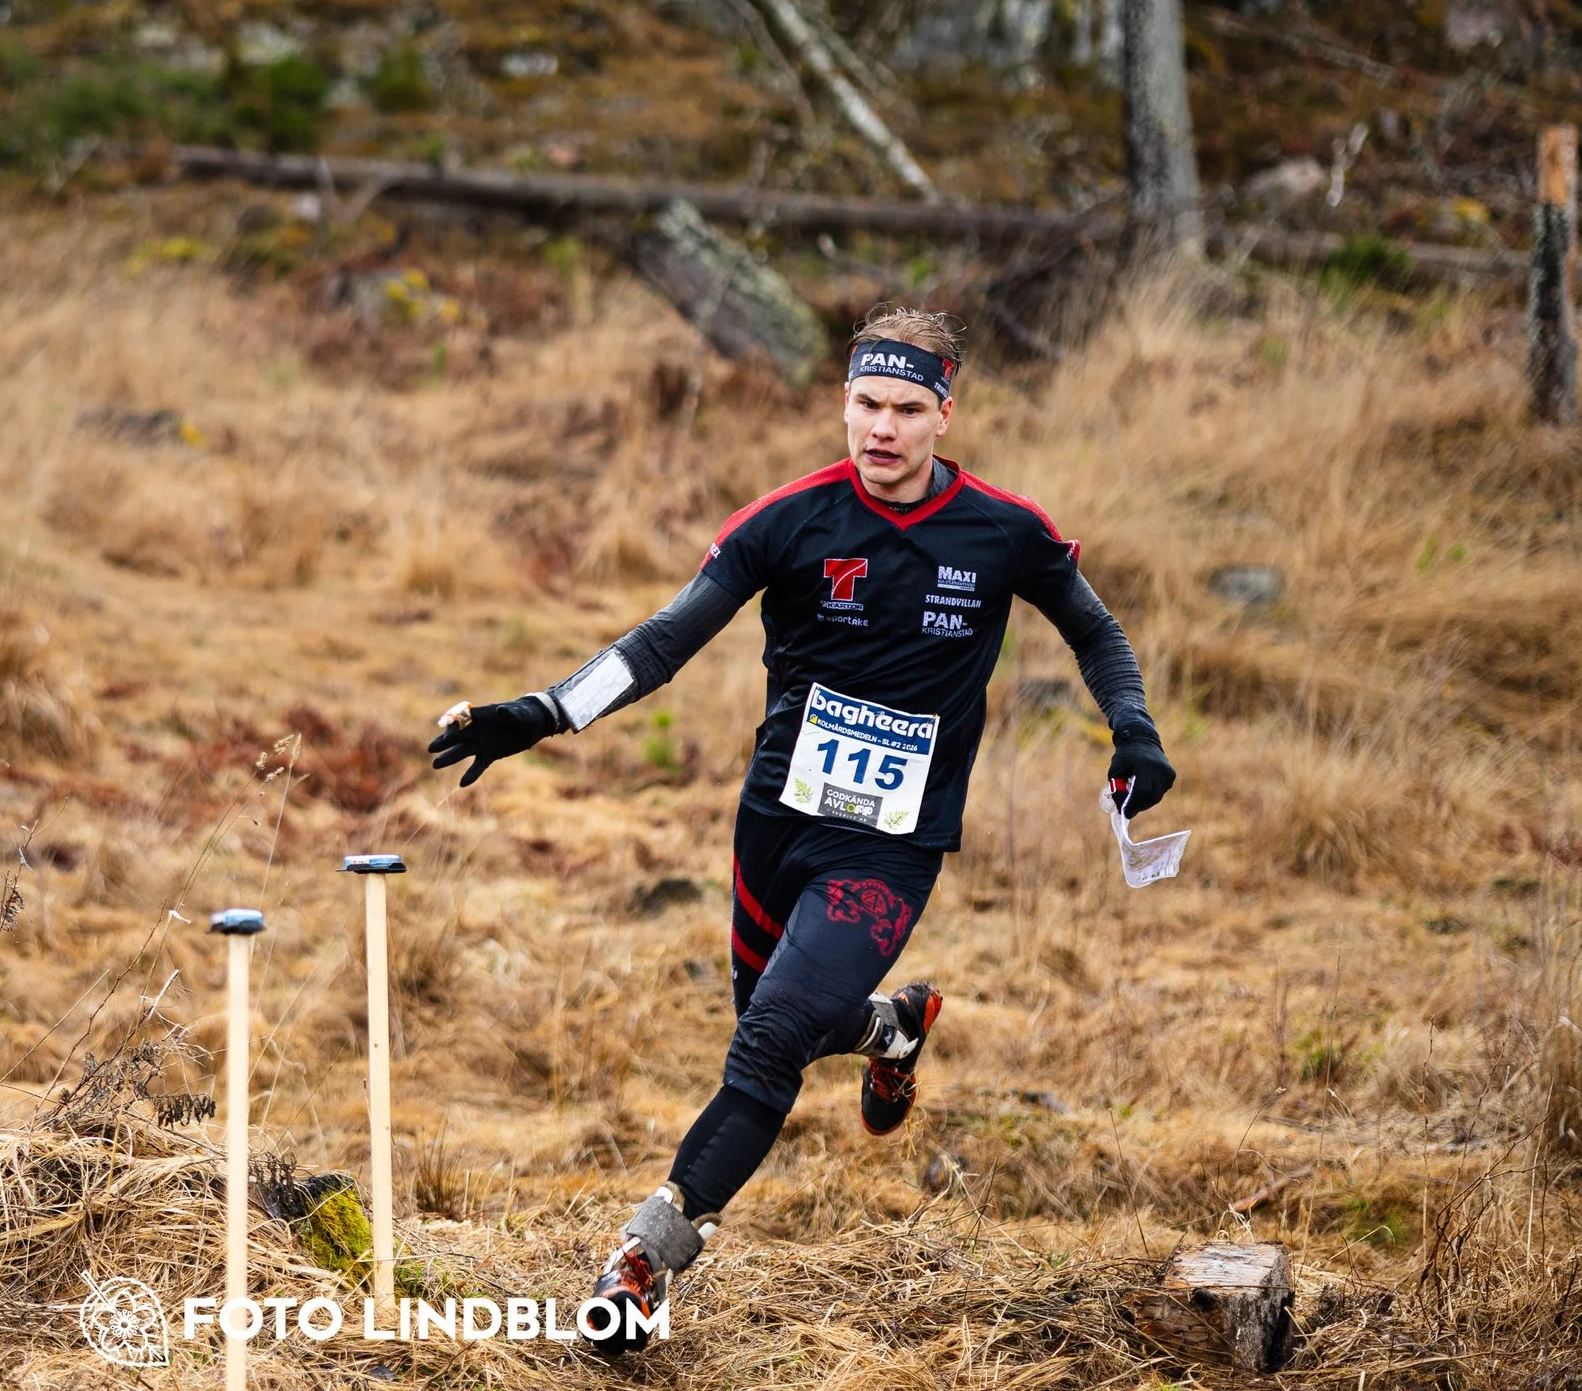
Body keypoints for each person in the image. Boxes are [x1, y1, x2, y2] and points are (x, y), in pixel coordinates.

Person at [428, 305, 1175, 1353]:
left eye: (906, 408)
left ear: (943, 415)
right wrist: (543, 711)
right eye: (865, 402)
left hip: (890, 845)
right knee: (769, 1024)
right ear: (844, 401)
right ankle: (888, 1027)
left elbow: (1094, 628)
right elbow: (662, 640)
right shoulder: (786, 519)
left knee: (772, 1036)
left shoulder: (1003, 530)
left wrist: (1132, 729)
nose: (880, 427)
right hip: (776, 820)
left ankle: (643, 1262)